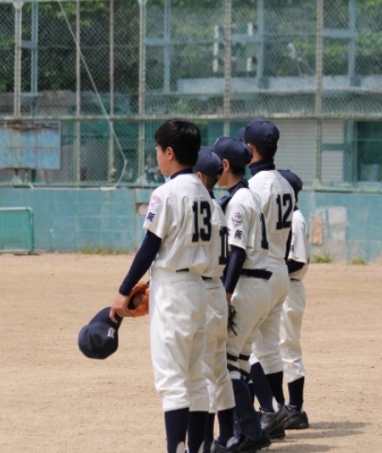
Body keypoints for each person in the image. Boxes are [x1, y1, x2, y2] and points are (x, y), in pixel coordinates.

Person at [109, 119, 213, 453]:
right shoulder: (203, 192)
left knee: (172, 382)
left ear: (170, 152)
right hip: (199, 288)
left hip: (173, 290)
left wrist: (124, 290)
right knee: (196, 379)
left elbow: (150, 247)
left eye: (157, 150)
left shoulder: (166, 193)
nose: (156, 155)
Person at [211, 136, 273, 452]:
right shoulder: (247, 196)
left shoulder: (238, 202)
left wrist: (225, 292)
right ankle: (248, 431)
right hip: (261, 285)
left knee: (224, 362)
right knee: (241, 361)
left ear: (225, 165)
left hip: (247, 285)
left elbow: (237, 252)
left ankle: (249, 432)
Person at [242, 119, 295, 438]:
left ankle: (269, 411)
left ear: (250, 149)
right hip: (280, 271)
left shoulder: (253, 188)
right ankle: (278, 417)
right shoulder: (285, 184)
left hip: (258, 272)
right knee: (270, 348)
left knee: (241, 349)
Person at [191, 148, 235, 453]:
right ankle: (228, 436)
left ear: (198, 176)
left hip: (204, 291)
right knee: (220, 371)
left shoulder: (199, 208)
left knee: (204, 374)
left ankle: (205, 444)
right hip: (218, 290)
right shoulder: (217, 209)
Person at [278, 169, 310, 430]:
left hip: (290, 287)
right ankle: (280, 408)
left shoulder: (296, 219)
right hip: (281, 286)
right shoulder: (285, 217)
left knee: (287, 346)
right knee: (274, 347)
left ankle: (296, 409)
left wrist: (272, 272)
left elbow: (297, 260)